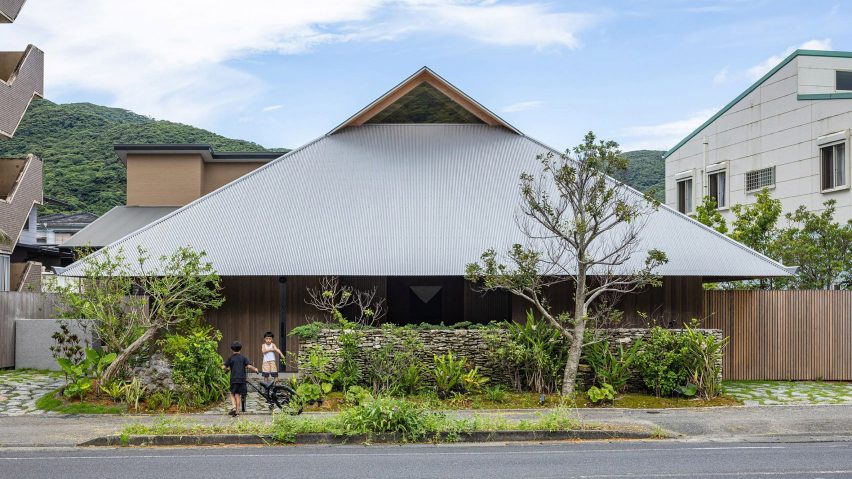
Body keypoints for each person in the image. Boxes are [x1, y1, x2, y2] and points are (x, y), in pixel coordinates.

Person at [223, 341, 258, 417]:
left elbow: (224, 367)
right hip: (242, 379)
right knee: (238, 394)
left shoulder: (230, 358)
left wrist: (226, 369)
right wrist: (255, 369)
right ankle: (237, 412)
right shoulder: (243, 358)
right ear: (240, 349)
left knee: (232, 393)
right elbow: (248, 366)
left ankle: (234, 407)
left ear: (232, 349)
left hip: (234, 379)